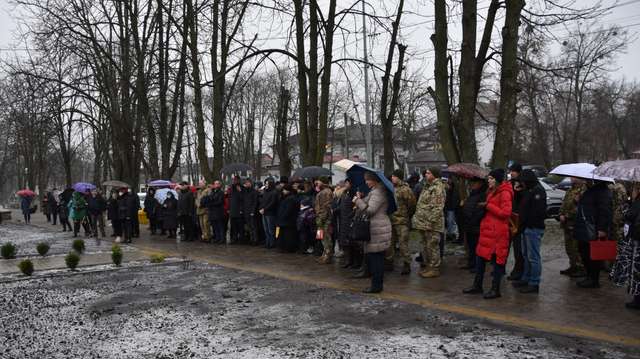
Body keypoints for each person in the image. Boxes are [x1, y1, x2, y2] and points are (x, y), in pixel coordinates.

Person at [463, 169, 513, 299]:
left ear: (497, 180)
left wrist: (488, 206)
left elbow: (505, 213)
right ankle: (477, 286)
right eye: (489, 178)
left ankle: (495, 289)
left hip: (498, 233)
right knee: (480, 258)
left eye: (491, 178)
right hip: (487, 232)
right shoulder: (491, 192)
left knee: (497, 261)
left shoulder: (505, 193)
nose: (489, 181)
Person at [353, 171, 392, 293]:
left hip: (377, 229)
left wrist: (358, 201)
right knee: (375, 258)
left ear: (374, 180)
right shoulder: (374, 192)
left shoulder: (378, 192)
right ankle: (376, 285)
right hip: (376, 228)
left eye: (368, 180)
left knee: (377, 260)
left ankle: (376, 286)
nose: (366, 182)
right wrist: (360, 198)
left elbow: (370, 210)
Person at [512, 169, 547, 294]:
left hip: (533, 228)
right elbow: (522, 205)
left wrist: (527, 223)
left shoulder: (538, 191)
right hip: (527, 228)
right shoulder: (530, 190)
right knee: (526, 256)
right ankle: (526, 278)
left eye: (522, 181)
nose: (522, 183)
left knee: (533, 257)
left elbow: (538, 212)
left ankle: (534, 282)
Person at [575, 179, 613, 288]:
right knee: (584, 251)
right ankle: (589, 276)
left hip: (593, 227)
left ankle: (593, 279)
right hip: (586, 226)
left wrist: (602, 229)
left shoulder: (602, 191)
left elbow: (604, 211)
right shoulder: (592, 190)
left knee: (592, 254)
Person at [411, 167, 446, 278]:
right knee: (426, 246)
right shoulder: (428, 186)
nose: (426, 174)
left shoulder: (438, 188)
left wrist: (430, 222)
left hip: (431, 224)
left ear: (434, 175)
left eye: (428, 173)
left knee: (433, 246)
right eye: (426, 173)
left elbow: (437, 207)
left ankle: (434, 268)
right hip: (423, 223)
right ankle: (429, 267)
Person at [611, 184, 640, 309]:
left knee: (637, 271)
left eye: (634, 190)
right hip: (635, 240)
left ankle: (638, 299)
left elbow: (628, 217)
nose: (632, 192)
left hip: (637, 242)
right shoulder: (635, 203)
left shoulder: (636, 204)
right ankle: (637, 298)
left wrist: (626, 209)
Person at [558, 177, 587, 277]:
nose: (571, 178)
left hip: (575, 223)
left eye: (573, 177)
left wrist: (567, 215)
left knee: (576, 247)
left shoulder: (583, 190)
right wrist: (561, 213)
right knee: (569, 247)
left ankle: (581, 268)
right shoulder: (570, 190)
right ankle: (573, 265)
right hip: (566, 223)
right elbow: (564, 204)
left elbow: (579, 208)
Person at [390, 170, 417, 275]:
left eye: (394, 176)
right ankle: (389, 262)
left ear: (399, 177)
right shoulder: (391, 188)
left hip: (402, 221)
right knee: (390, 243)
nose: (392, 178)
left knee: (403, 244)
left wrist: (406, 215)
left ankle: (407, 263)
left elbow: (412, 204)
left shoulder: (405, 189)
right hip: (391, 219)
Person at [460, 177, 487, 271]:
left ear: (480, 184)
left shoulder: (482, 195)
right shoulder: (472, 194)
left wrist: (473, 220)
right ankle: (471, 263)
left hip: (476, 225)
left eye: (474, 183)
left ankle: (476, 265)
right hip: (469, 224)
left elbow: (480, 211)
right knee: (471, 246)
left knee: (476, 246)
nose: (472, 185)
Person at [507, 162, 526, 281]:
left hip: (518, 219)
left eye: (513, 171)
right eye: (510, 171)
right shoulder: (510, 183)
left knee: (518, 247)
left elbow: (523, 200)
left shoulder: (522, 184)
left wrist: (518, 191)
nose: (511, 173)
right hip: (510, 217)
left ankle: (519, 270)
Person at [334, 179, 356, 267]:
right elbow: (341, 206)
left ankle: (352, 261)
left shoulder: (353, 193)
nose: (346, 184)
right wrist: (334, 210)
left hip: (349, 220)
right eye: (345, 183)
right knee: (344, 240)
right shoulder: (344, 193)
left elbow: (354, 207)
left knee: (350, 241)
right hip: (343, 220)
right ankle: (348, 260)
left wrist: (350, 215)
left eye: (347, 182)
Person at [314, 177, 334, 264]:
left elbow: (325, 207)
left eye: (318, 181)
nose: (317, 183)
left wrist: (321, 218)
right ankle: (324, 254)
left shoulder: (326, 192)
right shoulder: (322, 192)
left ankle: (327, 255)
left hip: (323, 218)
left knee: (326, 237)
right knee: (321, 236)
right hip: (320, 217)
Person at [276, 184, 299, 252]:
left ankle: (288, 248)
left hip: (288, 221)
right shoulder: (286, 198)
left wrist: (282, 217)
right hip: (285, 221)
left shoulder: (290, 198)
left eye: (284, 190)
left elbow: (288, 210)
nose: (283, 191)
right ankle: (284, 247)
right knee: (284, 235)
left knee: (288, 235)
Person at [259, 178, 279, 248]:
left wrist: (264, 209)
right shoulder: (265, 192)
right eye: (265, 183)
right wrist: (261, 208)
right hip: (264, 213)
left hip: (270, 213)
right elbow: (263, 201)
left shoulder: (274, 192)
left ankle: (272, 243)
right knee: (266, 229)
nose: (266, 185)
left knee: (271, 230)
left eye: (267, 184)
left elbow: (272, 203)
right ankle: (267, 243)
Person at [242, 178, 259, 245]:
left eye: (248, 183)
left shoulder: (254, 191)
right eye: (246, 183)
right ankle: (251, 239)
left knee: (253, 226)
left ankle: (255, 240)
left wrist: (253, 211)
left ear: (250, 183)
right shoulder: (245, 191)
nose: (246, 184)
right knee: (249, 226)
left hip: (252, 211)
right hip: (246, 211)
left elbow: (255, 202)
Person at [228, 177, 245, 244]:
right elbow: (230, 199)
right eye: (234, 180)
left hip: (239, 210)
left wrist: (240, 191)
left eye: (236, 180)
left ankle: (241, 239)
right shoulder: (231, 188)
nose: (234, 181)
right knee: (233, 226)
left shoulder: (242, 188)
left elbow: (243, 199)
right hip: (232, 210)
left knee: (240, 226)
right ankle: (234, 238)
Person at [444, 177, 460, 242]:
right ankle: (449, 234)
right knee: (449, 222)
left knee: (451, 222)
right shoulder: (448, 190)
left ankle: (451, 235)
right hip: (448, 207)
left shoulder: (454, 189)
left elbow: (455, 199)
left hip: (452, 208)